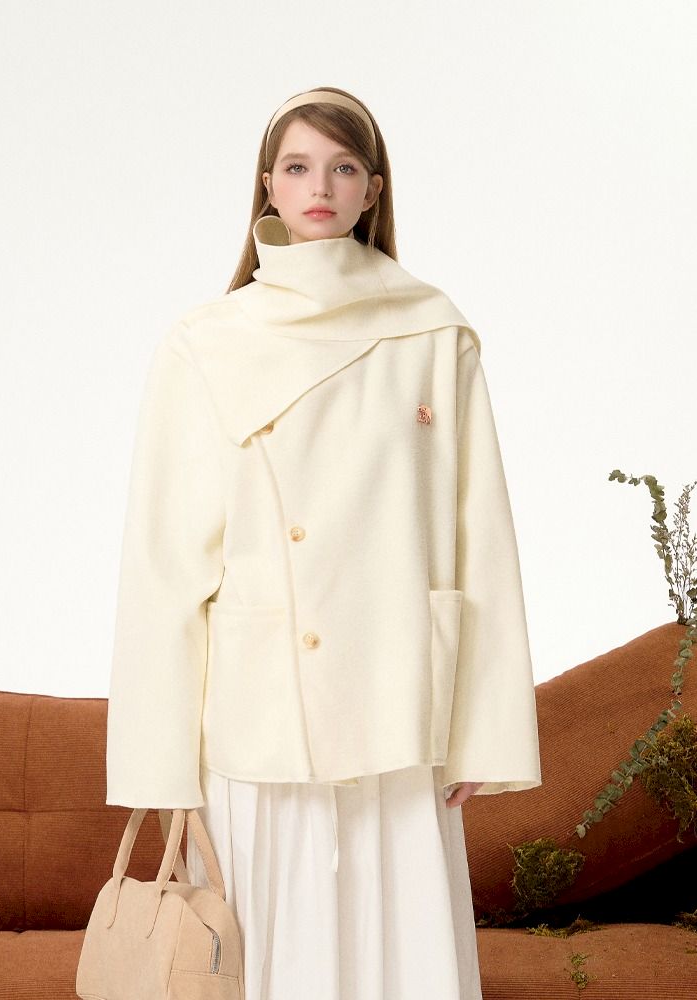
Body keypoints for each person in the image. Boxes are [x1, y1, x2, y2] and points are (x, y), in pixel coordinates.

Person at [105, 85, 542, 999]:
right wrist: (160, 764)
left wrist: (483, 734)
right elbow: (164, 567)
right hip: (260, 720)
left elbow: (482, 541)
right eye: (298, 166)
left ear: (373, 189)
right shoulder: (206, 343)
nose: (320, 186)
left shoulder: (433, 330)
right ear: (267, 185)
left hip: (398, 708)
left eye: (343, 168)